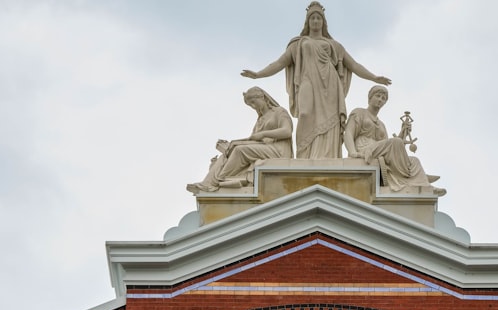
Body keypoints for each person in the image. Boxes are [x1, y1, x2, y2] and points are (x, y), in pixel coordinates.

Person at [241, 2, 391, 159]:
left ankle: (328, 157)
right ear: (307, 21)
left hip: (330, 85)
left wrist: (374, 77)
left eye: (318, 18)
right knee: (305, 114)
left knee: (330, 122)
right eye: (312, 18)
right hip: (307, 81)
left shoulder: (334, 45)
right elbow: (279, 63)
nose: (315, 21)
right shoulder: (298, 44)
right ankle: (305, 156)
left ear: (323, 22)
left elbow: (353, 65)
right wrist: (258, 74)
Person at [187, 87, 293, 193]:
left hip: (278, 150)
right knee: (228, 152)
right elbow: (254, 141)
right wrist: (234, 144)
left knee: (240, 150)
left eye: (253, 102)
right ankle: (207, 183)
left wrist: (263, 134)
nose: (253, 106)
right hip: (265, 148)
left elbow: (287, 131)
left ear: (262, 97)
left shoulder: (279, 111)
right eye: (250, 105)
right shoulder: (260, 120)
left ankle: (218, 181)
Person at [344, 85, 444, 195]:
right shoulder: (359, 112)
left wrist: (403, 131)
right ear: (370, 97)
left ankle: (424, 185)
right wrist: (353, 152)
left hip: (379, 151)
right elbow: (348, 132)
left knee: (414, 161)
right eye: (378, 96)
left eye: (383, 98)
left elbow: (390, 149)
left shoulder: (381, 124)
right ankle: (417, 178)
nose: (380, 100)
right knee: (396, 142)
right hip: (365, 149)